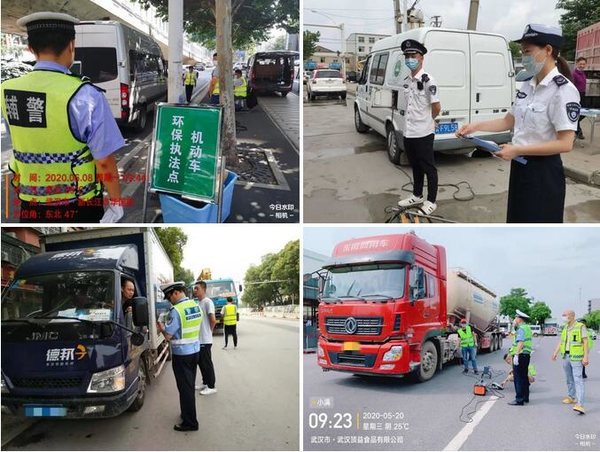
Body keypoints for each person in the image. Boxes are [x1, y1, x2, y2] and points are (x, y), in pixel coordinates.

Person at [1, 12, 124, 223]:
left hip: (30, 203)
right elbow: (103, 161)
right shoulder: (86, 95)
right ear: (71, 45)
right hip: (78, 205)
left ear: (31, 49)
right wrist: (116, 202)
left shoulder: (6, 90)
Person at [457, 24, 580, 223]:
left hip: (543, 172)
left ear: (548, 50)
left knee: (538, 225)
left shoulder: (563, 90)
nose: (524, 57)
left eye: (528, 51)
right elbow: (508, 121)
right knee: (516, 219)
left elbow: (565, 143)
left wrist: (517, 150)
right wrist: (475, 126)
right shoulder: (528, 84)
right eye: (523, 52)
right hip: (520, 168)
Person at [396, 39, 442, 215]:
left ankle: (431, 200)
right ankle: (417, 195)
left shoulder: (429, 80)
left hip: (423, 132)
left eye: (413, 55)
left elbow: (436, 107)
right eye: (407, 56)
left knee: (428, 167)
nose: (409, 59)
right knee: (415, 165)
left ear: (421, 58)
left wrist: (427, 122)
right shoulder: (407, 80)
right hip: (409, 132)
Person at [156, 282, 203, 431]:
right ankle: (186, 414)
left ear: (176, 293)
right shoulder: (195, 306)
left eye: (169, 297)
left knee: (185, 389)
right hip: (195, 351)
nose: (170, 301)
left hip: (182, 355)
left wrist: (161, 327)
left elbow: (169, 336)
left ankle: (190, 422)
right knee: (188, 387)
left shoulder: (176, 310)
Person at [552, 310, 589, 414]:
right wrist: (555, 352)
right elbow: (561, 341)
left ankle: (580, 404)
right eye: (563, 315)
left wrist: (586, 356)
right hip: (566, 356)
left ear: (572, 316)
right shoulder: (565, 327)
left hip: (576, 357)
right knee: (569, 378)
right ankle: (571, 396)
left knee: (578, 379)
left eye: (565, 315)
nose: (563, 317)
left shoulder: (580, 326)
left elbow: (585, 341)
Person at [193, 281, 217, 395]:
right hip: (199, 339)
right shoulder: (199, 303)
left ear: (203, 289)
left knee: (206, 363)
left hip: (205, 339)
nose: (195, 290)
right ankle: (205, 383)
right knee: (201, 363)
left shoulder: (207, 302)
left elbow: (213, 320)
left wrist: (209, 332)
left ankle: (212, 386)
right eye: (194, 288)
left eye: (197, 288)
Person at [508, 310, 532, 406]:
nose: (515, 319)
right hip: (526, 355)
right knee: (524, 377)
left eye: (516, 318)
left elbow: (520, 342)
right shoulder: (527, 328)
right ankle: (525, 397)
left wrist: (516, 355)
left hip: (520, 355)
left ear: (519, 319)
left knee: (518, 378)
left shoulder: (521, 329)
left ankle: (519, 399)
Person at [573, 57, 587, 140]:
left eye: (584, 64)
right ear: (577, 64)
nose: (582, 65)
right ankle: (578, 131)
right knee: (578, 113)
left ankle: (576, 128)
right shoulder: (574, 73)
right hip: (576, 95)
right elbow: (572, 86)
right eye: (580, 64)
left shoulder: (583, 73)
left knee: (583, 113)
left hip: (583, 94)